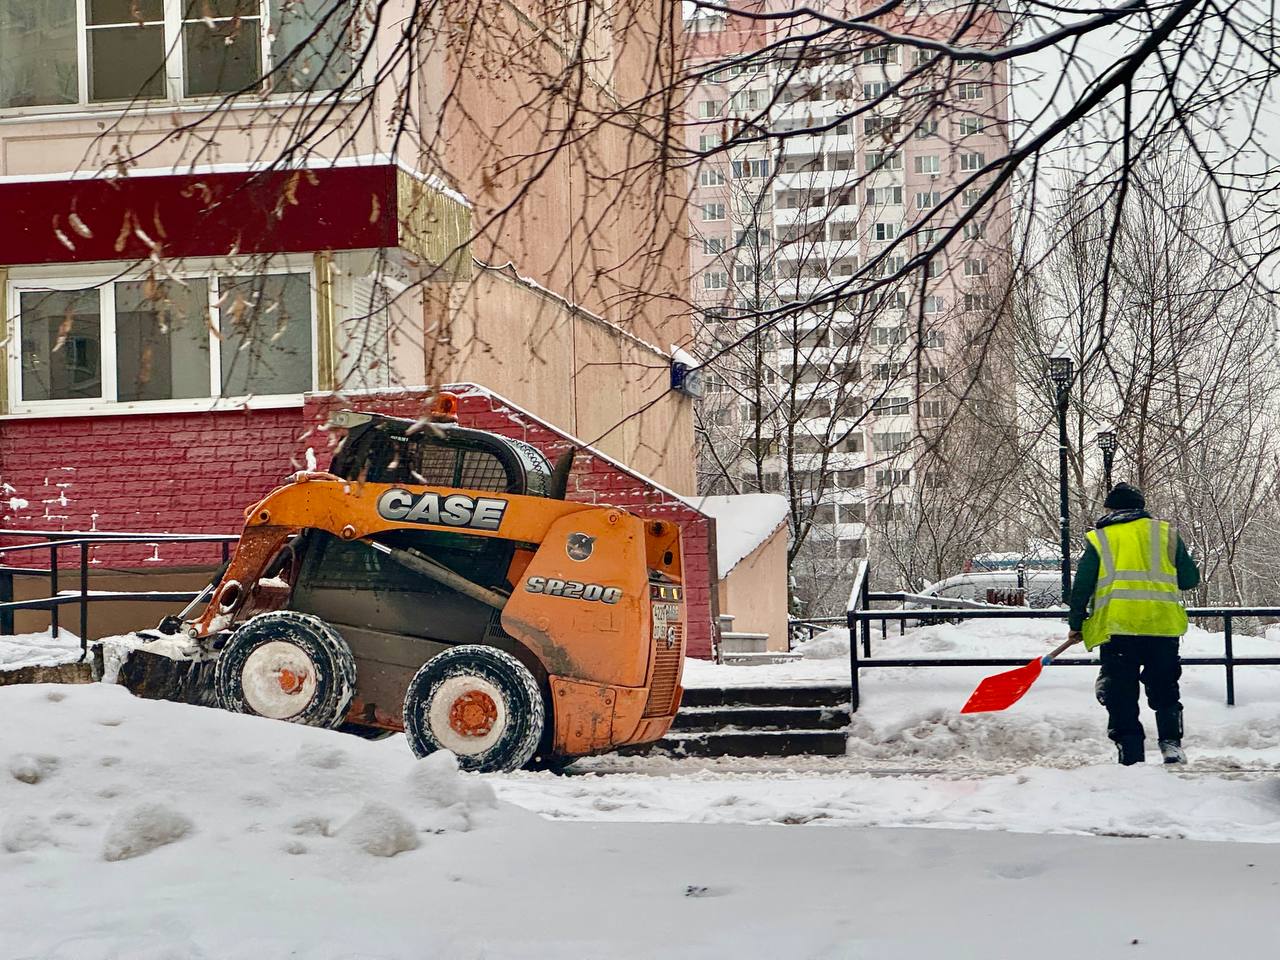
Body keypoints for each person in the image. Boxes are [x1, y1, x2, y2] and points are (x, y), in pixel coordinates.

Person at [1065, 482, 1200, 766]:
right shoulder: (1167, 535)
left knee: (1121, 691)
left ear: (1111, 509)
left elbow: (1082, 587)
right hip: (1162, 627)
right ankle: (1171, 744)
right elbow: (1189, 580)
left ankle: (1131, 753)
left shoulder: (1101, 539)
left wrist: (1077, 621)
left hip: (1119, 629)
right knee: (1164, 687)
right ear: (1141, 508)